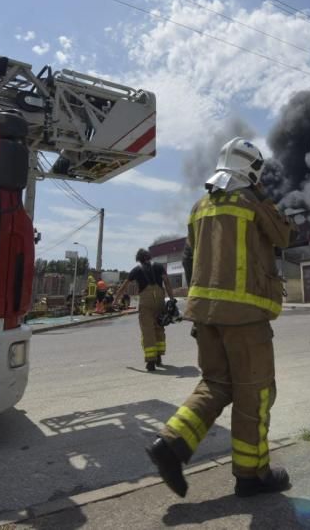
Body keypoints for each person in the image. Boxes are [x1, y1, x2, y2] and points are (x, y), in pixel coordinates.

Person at [146, 137, 294, 499]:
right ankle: (252, 475)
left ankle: (171, 445)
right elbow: (285, 235)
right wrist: (262, 196)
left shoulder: (199, 208)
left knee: (216, 385)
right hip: (244, 317)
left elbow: (188, 259)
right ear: (251, 171)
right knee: (254, 394)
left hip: (205, 317)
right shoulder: (252, 204)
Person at [112, 249, 175, 371]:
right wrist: (172, 299)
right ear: (149, 257)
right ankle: (158, 357)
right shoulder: (159, 266)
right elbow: (166, 281)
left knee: (148, 330)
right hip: (160, 299)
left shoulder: (136, 270)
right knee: (159, 326)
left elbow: (124, 286)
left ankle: (150, 362)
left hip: (146, 301)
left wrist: (115, 300)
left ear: (139, 259)